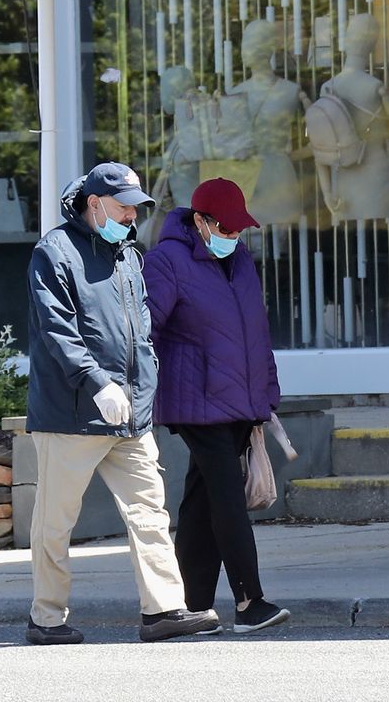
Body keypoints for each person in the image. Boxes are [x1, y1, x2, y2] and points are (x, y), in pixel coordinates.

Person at [23, 162, 219, 645]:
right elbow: (57, 331)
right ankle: (47, 618)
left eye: (136, 207)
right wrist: (97, 383)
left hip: (129, 413)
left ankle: (164, 610)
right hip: (72, 414)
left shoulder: (127, 252)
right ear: (95, 204)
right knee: (56, 521)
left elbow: (141, 331)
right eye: (124, 205)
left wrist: (140, 394)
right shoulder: (55, 251)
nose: (132, 214)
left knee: (150, 511)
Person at [145, 178, 290, 634]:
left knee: (200, 499)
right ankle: (250, 601)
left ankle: (193, 605)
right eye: (225, 229)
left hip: (238, 401)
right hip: (195, 400)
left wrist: (265, 394)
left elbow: (255, 333)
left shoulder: (241, 260)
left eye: (238, 230)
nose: (234, 237)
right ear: (201, 221)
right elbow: (147, 327)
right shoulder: (166, 261)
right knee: (227, 496)